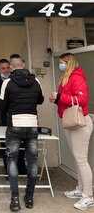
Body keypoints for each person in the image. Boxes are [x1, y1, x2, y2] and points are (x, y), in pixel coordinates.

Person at [49, 53, 94, 211]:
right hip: (70, 121)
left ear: (68, 63)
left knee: (81, 159)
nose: (59, 65)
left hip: (80, 123)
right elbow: (65, 99)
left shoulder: (76, 77)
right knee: (77, 158)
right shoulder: (66, 78)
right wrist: (56, 99)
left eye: (61, 62)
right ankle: (80, 188)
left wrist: (60, 96)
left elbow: (82, 100)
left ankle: (88, 196)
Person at [0, 56, 44, 211]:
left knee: (12, 159)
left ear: (11, 67)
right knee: (32, 161)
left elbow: (2, 105)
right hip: (32, 124)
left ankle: (15, 200)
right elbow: (40, 100)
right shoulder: (36, 81)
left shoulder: (7, 82)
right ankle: (29, 197)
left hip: (15, 125)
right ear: (23, 65)